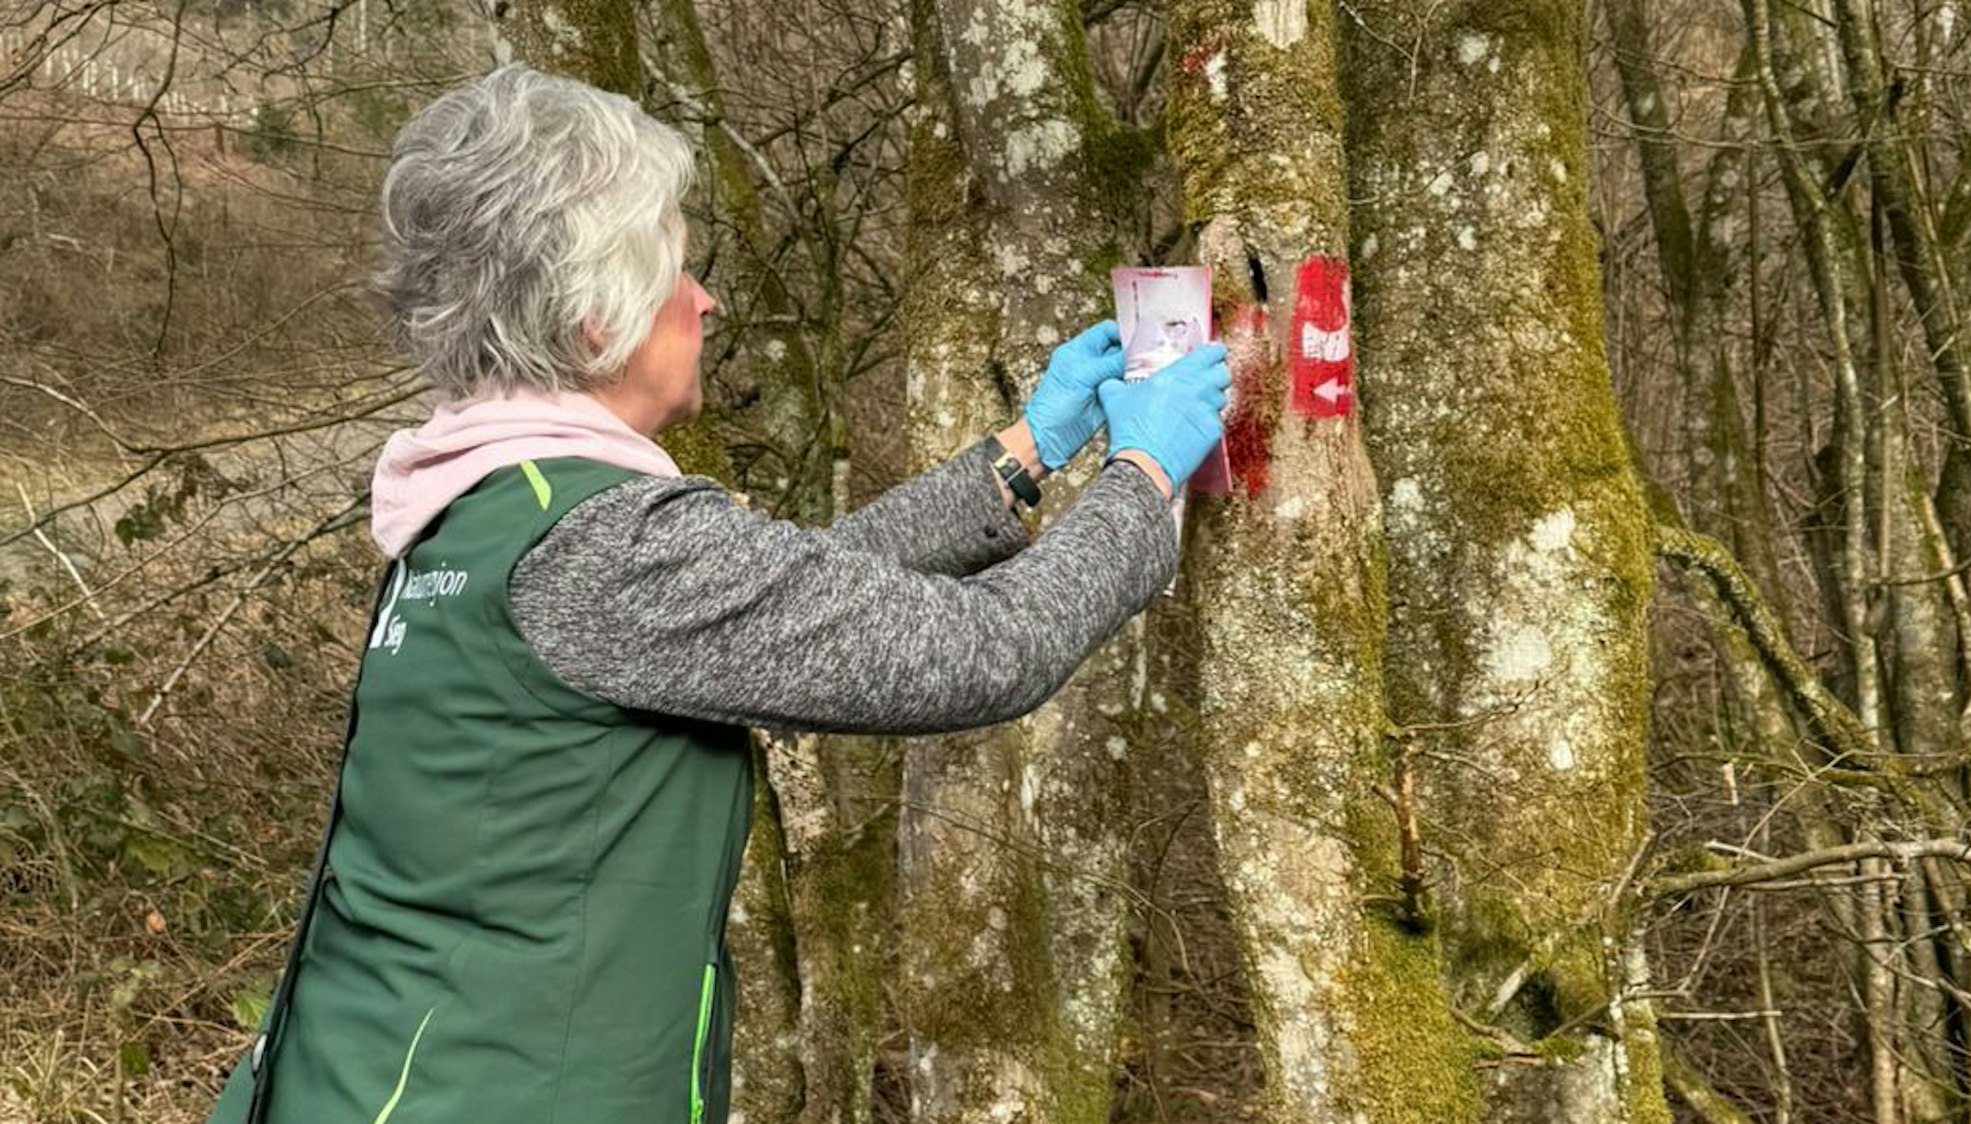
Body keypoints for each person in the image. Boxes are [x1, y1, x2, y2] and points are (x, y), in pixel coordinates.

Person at [207, 63, 1230, 1124]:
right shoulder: (603, 544)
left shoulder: (484, 503)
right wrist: (1142, 479)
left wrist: (1025, 452)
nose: (708, 301)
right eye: (683, 271)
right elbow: (985, 651)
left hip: (366, 1074)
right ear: (597, 321)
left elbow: (774, 608)